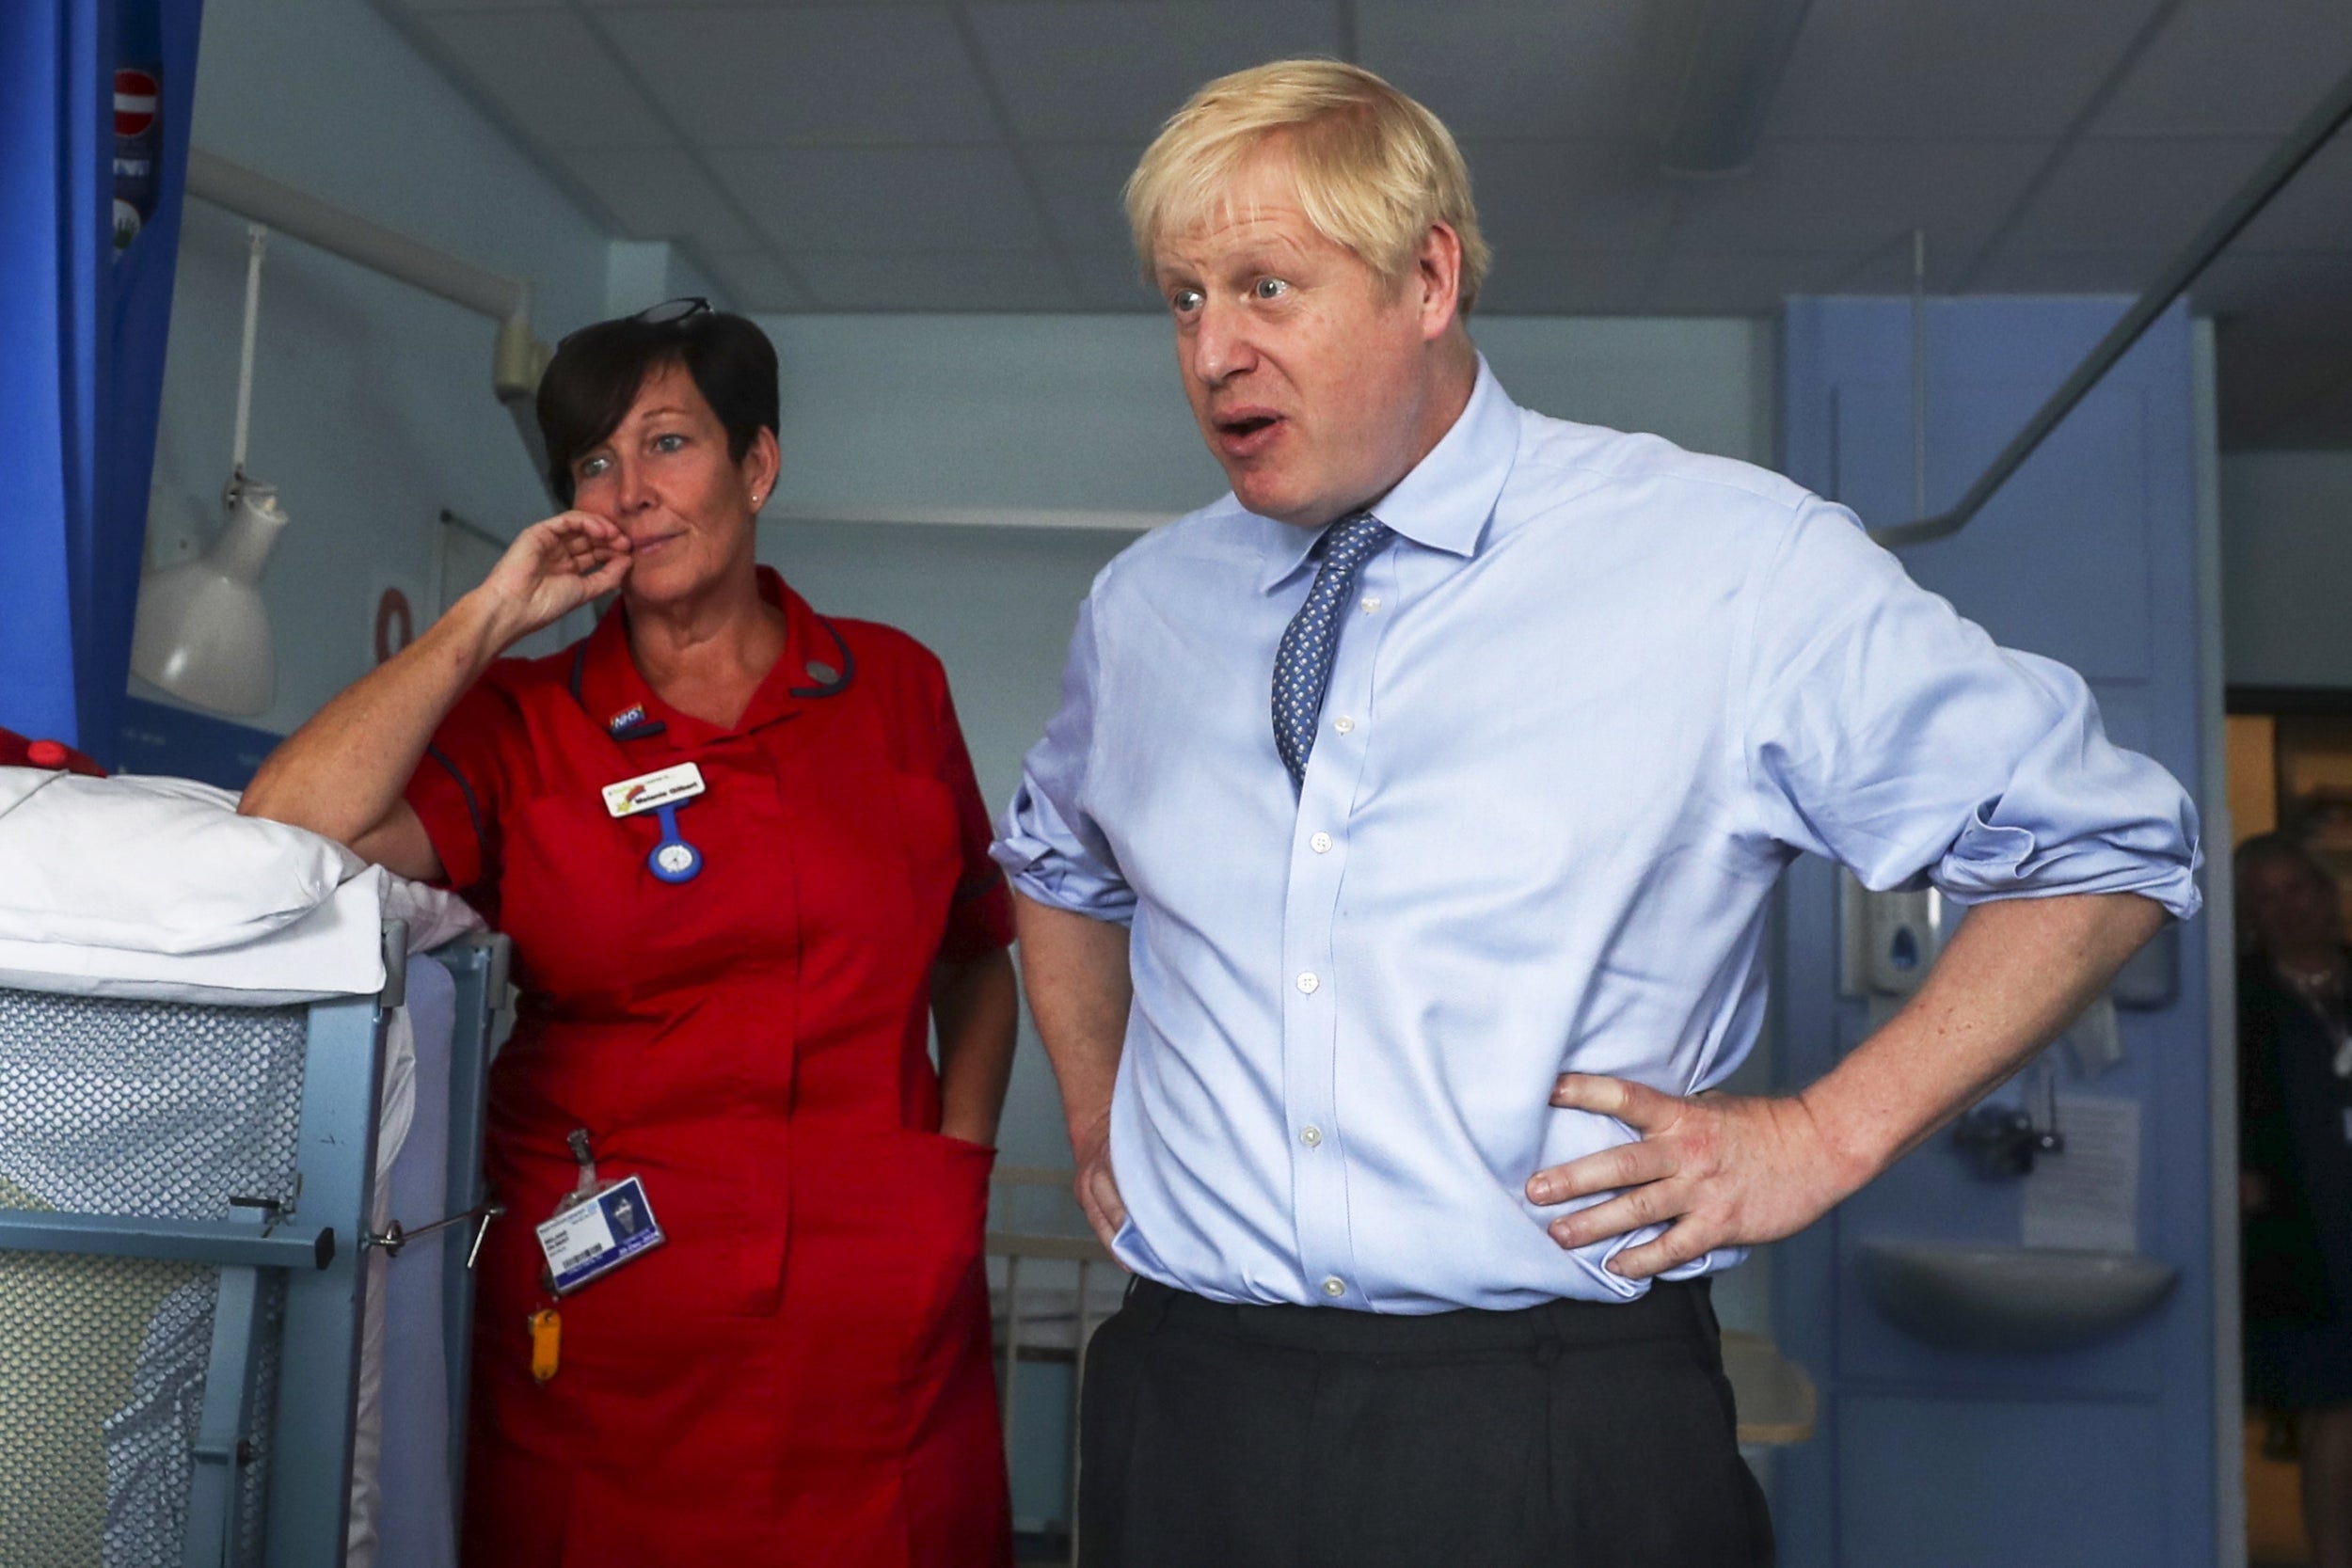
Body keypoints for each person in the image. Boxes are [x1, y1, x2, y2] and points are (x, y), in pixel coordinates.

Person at [993, 59, 2201, 1567]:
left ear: (1428, 279)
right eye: (1183, 299)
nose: (1213, 351)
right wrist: (1098, 1109)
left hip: (1556, 1420)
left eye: (1266, 288)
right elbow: (1051, 858)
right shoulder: (1146, 606)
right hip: (1191, 1406)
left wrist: (1825, 1132)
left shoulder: (1728, 562)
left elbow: (2104, 843)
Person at [241, 302, 1018, 1566]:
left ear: (756, 464)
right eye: (594, 461)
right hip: (605, 1320)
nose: (629, 490)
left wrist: (954, 1172)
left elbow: (976, 950)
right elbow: (284, 828)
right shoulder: (524, 719)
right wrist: (490, 612)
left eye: (668, 442)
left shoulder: (891, 686)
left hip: (877, 1307)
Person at [2237, 833, 2352, 1568]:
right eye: (2266, 897)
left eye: (2297, 888)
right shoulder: (2239, 997)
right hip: (2301, 1225)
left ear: (2329, 894)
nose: (2287, 908)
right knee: (2335, 1399)